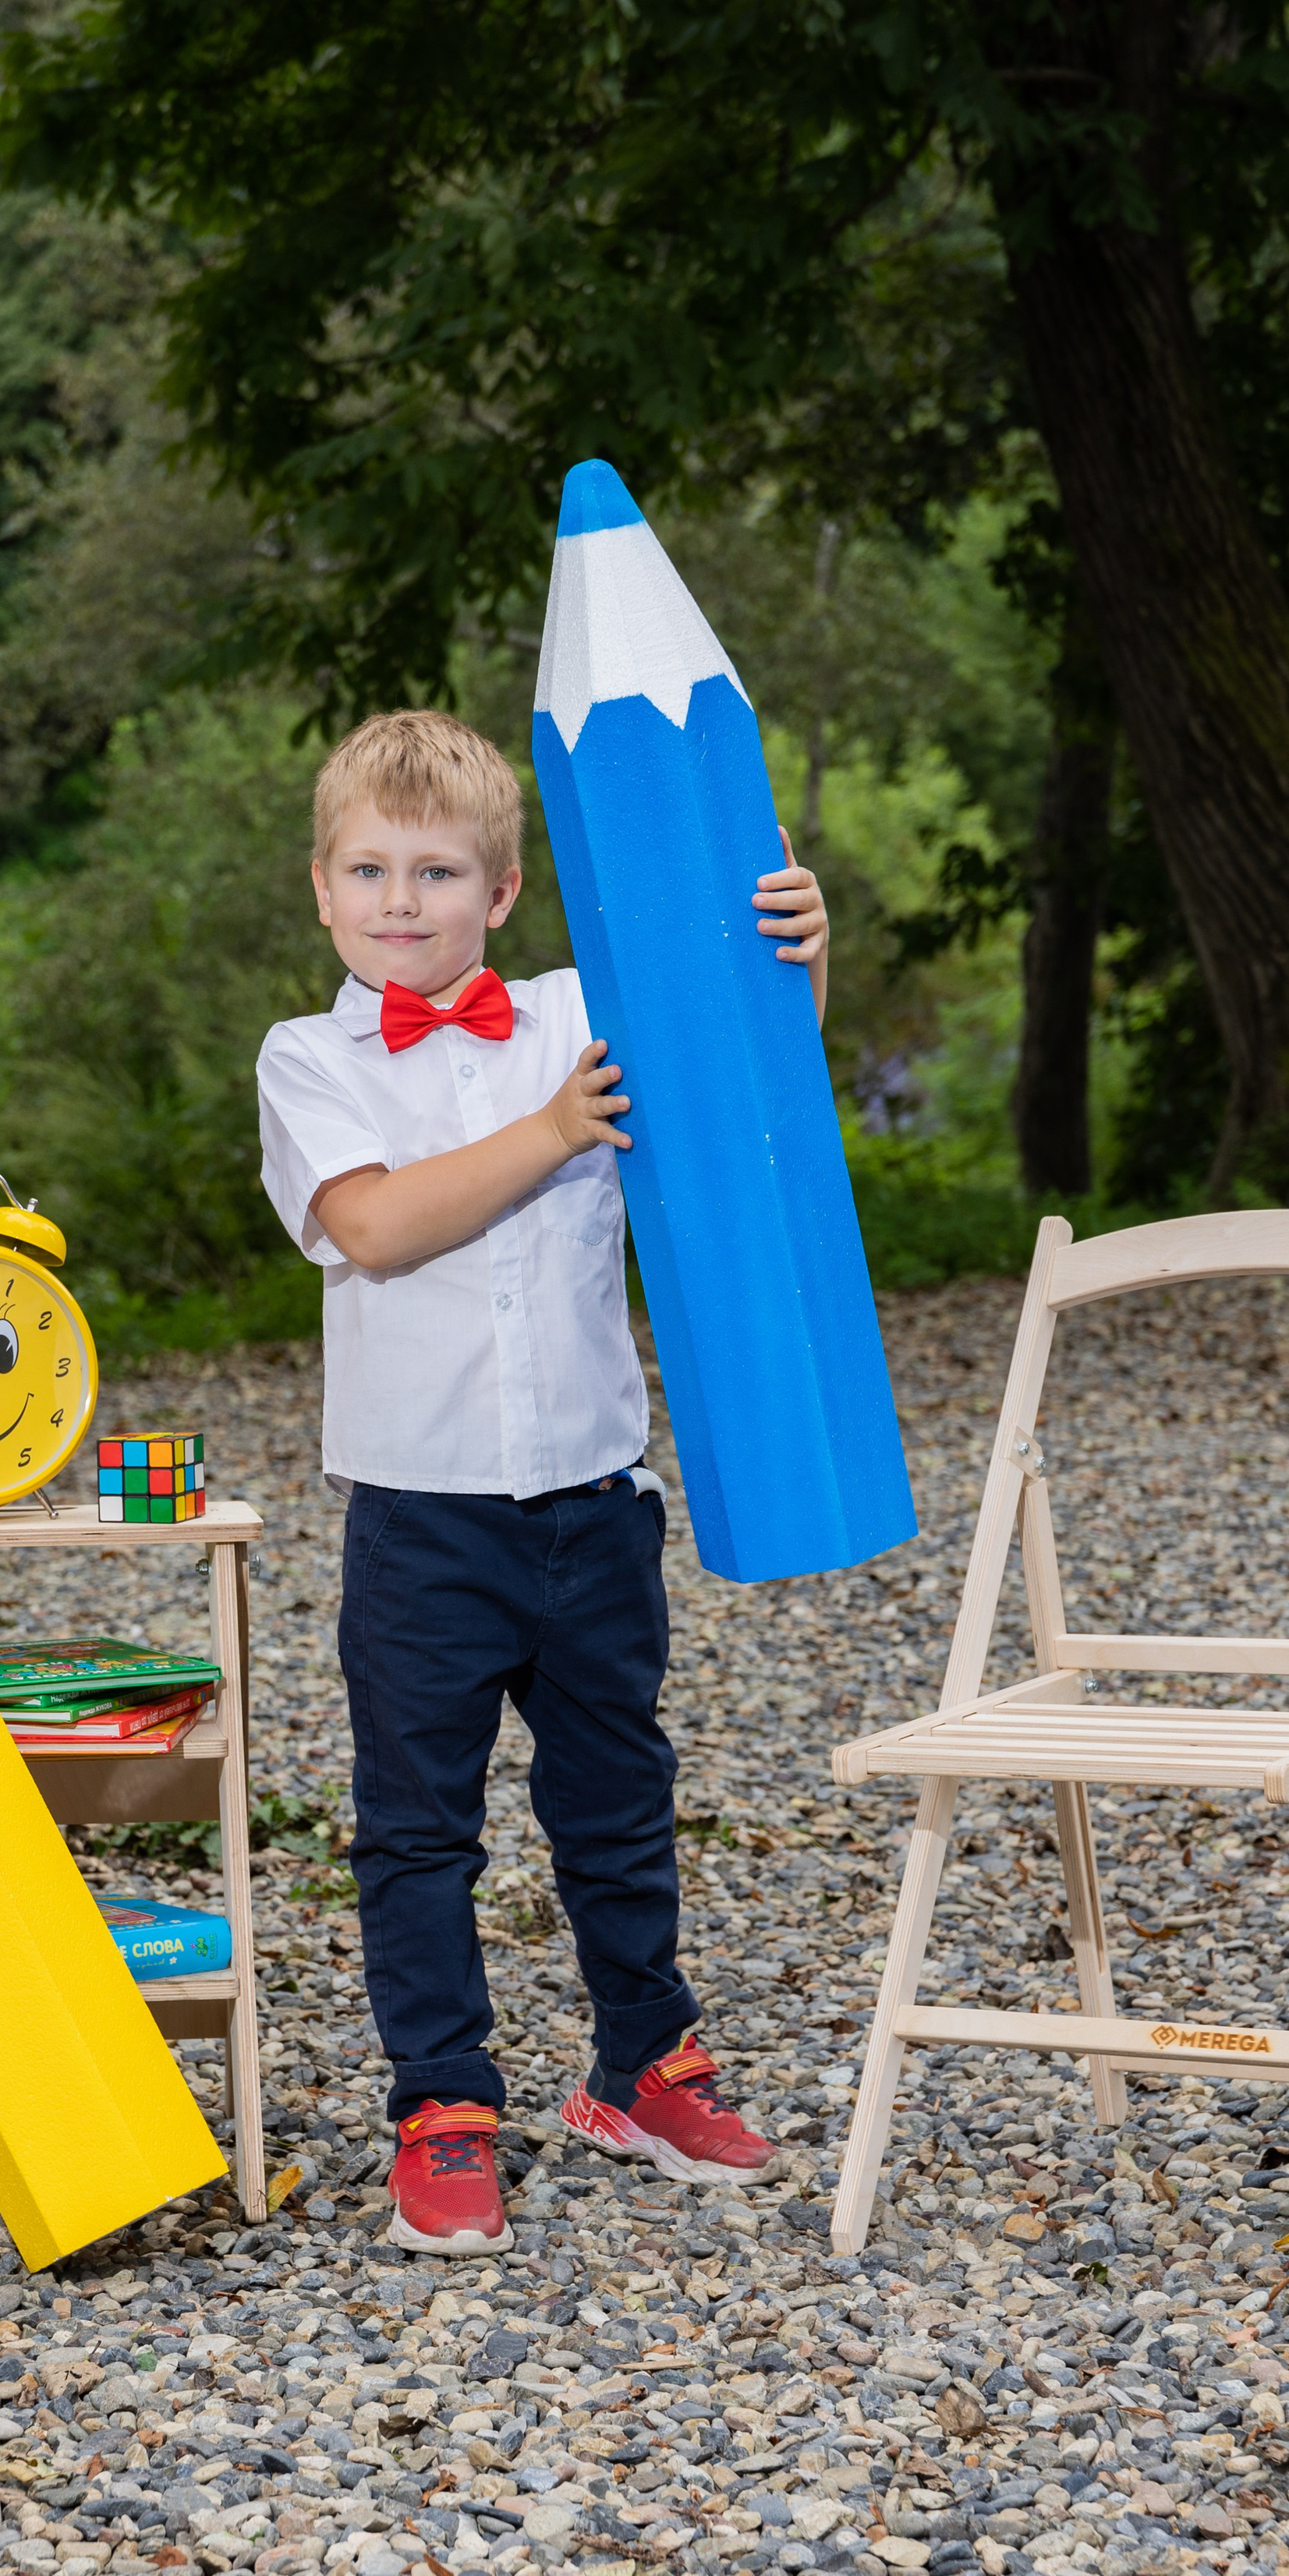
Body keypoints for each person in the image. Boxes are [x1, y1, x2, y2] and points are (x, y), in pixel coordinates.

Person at [256, 709, 830, 2257]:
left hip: (591, 1498)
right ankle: (442, 2104)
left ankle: (638, 2065)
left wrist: (797, 944)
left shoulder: (577, 1012)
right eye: (368, 870)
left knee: (616, 1802)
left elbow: (735, 1065)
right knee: (416, 1826)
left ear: (499, 893)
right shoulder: (307, 1060)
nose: (399, 901)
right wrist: (551, 1128)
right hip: (419, 1516)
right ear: (319, 890)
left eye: (434, 872)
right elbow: (375, 1228)